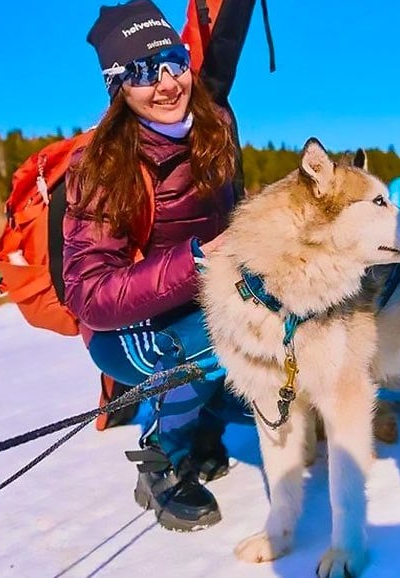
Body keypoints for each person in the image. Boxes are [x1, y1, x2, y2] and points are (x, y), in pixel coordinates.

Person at [62, 0, 255, 532]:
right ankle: (161, 461)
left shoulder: (213, 127)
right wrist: (194, 261)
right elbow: (90, 295)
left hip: (203, 300)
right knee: (218, 340)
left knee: (269, 330)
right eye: (144, 72)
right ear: (119, 87)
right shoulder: (101, 166)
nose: (167, 83)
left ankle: (206, 422)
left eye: (173, 61)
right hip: (123, 330)